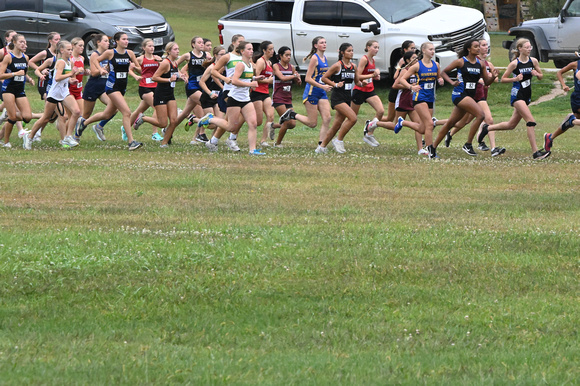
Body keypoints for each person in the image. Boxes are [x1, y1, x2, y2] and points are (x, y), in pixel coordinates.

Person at [477, 38, 551, 160]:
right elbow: (503, 79)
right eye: (526, 47)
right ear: (520, 49)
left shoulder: (533, 61)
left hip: (527, 95)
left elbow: (541, 76)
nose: (529, 49)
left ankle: (487, 128)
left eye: (530, 47)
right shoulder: (514, 64)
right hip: (517, 95)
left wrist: (537, 75)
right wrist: (515, 79)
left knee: (511, 125)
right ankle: (536, 153)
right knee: (530, 121)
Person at [76, 32, 143, 150]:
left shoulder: (130, 53)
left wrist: (135, 68)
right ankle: (131, 142)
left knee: (107, 114)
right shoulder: (110, 53)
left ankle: (84, 123)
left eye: (127, 39)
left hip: (122, 88)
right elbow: (96, 60)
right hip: (112, 87)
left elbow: (139, 69)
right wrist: (101, 69)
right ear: (117, 41)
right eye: (124, 39)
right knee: (126, 112)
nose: (126, 41)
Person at [430, 39, 496, 159]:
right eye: (475, 46)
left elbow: (486, 82)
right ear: (469, 49)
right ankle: (468, 144)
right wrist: (451, 82)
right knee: (481, 115)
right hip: (459, 94)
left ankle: (432, 148)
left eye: (479, 46)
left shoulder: (480, 64)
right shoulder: (461, 62)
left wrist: (493, 77)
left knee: (451, 123)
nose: (478, 48)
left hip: (469, 95)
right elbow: (444, 72)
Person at [198, 41, 265, 155]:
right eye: (249, 49)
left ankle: (252, 150)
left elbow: (246, 78)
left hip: (245, 99)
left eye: (252, 49)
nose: (251, 51)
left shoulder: (249, 64)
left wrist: (255, 78)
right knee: (230, 127)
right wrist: (250, 84)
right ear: (242, 51)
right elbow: (234, 80)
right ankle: (209, 119)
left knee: (253, 123)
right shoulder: (240, 64)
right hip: (234, 98)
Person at [444, 39, 505, 157]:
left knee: (465, 122)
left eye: (486, 45)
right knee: (488, 119)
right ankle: (492, 149)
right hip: (470, 95)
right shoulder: (466, 62)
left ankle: (449, 133)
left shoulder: (487, 64)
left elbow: (492, 80)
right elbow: (462, 76)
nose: (485, 47)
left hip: (481, 95)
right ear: (472, 48)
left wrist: (493, 77)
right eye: (482, 45)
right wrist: (477, 79)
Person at [24, 40, 82, 149]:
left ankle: (68, 136)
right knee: (46, 118)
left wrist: (71, 80)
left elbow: (65, 78)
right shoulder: (60, 62)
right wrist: (71, 74)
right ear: (62, 50)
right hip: (54, 93)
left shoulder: (70, 62)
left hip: (64, 92)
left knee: (76, 111)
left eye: (71, 49)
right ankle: (29, 136)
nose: (71, 51)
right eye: (68, 49)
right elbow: (57, 78)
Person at [278, 36, 332, 146]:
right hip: (312, 92)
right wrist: (322, 86)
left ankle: (321, 145)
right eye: (322, 43)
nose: (324, 44)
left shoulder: (324, 58)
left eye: (325, 42)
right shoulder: (314, 58)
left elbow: (320, 76)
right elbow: (307, 78)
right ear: (316, 46)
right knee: (312, 123)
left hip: (321, 92)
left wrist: (328, 84)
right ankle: (292, 114)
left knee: (327, 118)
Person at [396, 42, 444, 159]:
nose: (433, 52)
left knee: (423, 128)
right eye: (430, 49)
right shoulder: (417, 66)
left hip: (430, 99)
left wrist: (440, 79)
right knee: (429, 124)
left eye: (433, 49)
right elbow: (401, 80)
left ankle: (403, 122)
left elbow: (439, 77)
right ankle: (431, 152)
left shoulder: (436, 65)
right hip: (419, 98)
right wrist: (411, 87)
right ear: (423, 51)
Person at [136, 42, 183, 148]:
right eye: (175, 49)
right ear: (169, 51)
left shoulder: (175, 63)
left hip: (170, 94)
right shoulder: (165, 63)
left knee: (174, 121)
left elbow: (173, 78)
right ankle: (143, 118)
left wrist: (181, 78)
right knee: (162, 123)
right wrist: (168, 79)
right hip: (160, 94)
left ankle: (164, 143)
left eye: (178, 49)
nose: (178, 51)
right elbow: (155, 77)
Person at [316, 43, 357, 153]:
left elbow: (357, 81)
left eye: (352, 50)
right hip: (338, 98)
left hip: (348, 97)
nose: (351, 52)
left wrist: (364, 82)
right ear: (342, 53)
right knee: (353, 118)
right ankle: (338, 140)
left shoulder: (354, 66)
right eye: (349, 51)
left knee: (337, 124)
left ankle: (321, 147)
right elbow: (324, 78)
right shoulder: (337, 65)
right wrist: (335, 84)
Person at [0, 34, 34, 147]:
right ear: (14, 43)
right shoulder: (8, 57)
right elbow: (0, 75)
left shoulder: (26, 58)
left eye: (25, 42)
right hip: (8, 89)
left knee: (27, 117)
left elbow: (24, 73)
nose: (24, 44)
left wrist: (29, 79)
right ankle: (6, 142)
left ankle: (7, 114)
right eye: (21, 42)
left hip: (20, 90)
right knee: (13, 117)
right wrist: (14, 74)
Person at [543, 54, 580, 153]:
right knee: (575, 120)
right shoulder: (575, 64)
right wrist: (563, 85)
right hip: (578, 98)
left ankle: (550, 137)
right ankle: (572, 120)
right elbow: (559, 72)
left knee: (573, 121)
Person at [130, 39, 164, 141]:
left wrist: (160, 62)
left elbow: (164, 69)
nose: (152, 48)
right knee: (157, 107)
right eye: (149, 46)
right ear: (144, 48)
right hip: (144, 87)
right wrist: (136, 76)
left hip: (156, 87)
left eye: (153, 46)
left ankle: (125, 127)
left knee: (139, 110)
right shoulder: (140, 59)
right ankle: (155, 133)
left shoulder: (157, 58)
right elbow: (130, 69)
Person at [82, 34, 114, 141]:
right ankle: (75, 135)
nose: (108, 43)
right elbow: (94, 73)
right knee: (85, 114)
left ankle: (99, 127)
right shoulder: (95, 55)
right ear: (99, 42)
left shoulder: (108, 54)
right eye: (105, 41)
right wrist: (102, 69)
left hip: (104, 87)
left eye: (108, 41)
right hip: (93, 86)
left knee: (114, 107)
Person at [353, 40, 383, 147]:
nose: (377, 49)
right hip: (359, 90)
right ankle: (338, 138)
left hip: (369, 90)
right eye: (375, 47)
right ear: (368, 47)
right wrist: (372, 75)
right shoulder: (364, 59)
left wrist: (375, 76)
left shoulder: (373, 60)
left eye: (378, 47)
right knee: (352, 118)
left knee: (380, 111)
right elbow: (358, 76)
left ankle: (369, 133)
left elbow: (369, 74)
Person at [194, 46, 226, 143]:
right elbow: (201, 82)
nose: (224, 56)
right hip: (207, 97)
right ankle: (193, 119)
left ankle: (212, 142)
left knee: (219, 122)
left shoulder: (224, 67)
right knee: (211, 125)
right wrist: (210, 93)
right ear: (215, 55)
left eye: (225, 54)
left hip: (218, 97)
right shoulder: (211, 67)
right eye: (221, 54)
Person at [271, 46, 301, 147]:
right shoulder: (276, 66)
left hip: (288, 98)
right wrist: (294, 76)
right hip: (278, 97)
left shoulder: (291, 67)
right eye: (286, 55)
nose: (288, 57)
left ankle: (273, 125)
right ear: (280, 56)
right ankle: (278, 143)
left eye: (289, 55)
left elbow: (298, 83)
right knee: (287, 120)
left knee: (292, 124)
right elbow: (282, 78)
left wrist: (298, 80)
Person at [252, 40, 275, 147]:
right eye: (270, 49)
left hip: (265, 93)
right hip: (256, 92)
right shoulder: (261, 62)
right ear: (264, 50)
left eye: (273, 49)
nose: (272, 51)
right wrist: (268, 81)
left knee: (271, 116)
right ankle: (234, 132)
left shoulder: (269, 63)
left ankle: (263, 141)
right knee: (258, 121)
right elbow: (255, 79)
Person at [385, 41, 416, 124]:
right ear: (405, 49)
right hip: (397, 92)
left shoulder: (414, 62)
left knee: (393, 120)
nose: (414, 50)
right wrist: (409, 85)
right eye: (411, 48)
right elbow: (395, 76)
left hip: (406, 93)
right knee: (390, 118)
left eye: (414, 48)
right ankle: (373, 122)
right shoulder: (402, 61)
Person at [69, 38, 85, 112]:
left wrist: (86, 72)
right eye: (80, 45)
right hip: (69, 89)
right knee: (70, 115)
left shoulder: (82, 58)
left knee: (81, 114)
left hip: (78, 89)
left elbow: (81, 73)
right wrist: (77, 71)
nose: (82, 47)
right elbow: (66, 74)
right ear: (73, 46)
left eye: (83, 46)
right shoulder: (70, 59)